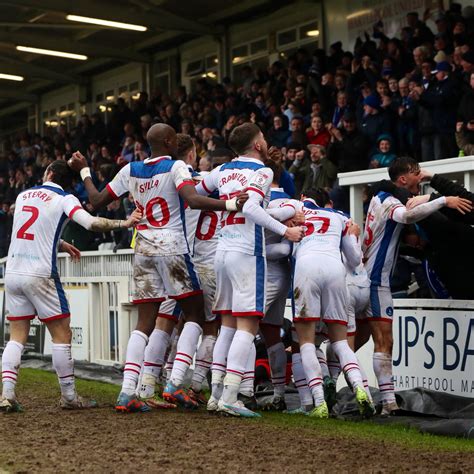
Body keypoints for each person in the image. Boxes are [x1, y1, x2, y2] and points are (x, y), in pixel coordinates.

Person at [67, 123, 247, 413]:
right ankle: (175, 384)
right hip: (172, 247)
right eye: (175, 137)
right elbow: (191, 199)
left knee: (145, 322)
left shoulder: (130, 169)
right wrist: (229, 205)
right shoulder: (176, 166)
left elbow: (97, 200)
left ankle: (128, 392)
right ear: (168, 141)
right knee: (195, 313)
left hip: (143, 249)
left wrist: (84, 170)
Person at [1, 160, 141, 412]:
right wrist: (124, 223)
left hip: (13, 271)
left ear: (49, 173)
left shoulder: (22, 196)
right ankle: (69, 397)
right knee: (62, 334)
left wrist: (59, 242)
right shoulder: (65, 199)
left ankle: (7, 395)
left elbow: (31, 229)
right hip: (40, 273)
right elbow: (91, 223)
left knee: (17, 336)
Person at [196, 123, 305, 417]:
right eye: (264, 137)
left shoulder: (221, 171)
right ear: (258, 144)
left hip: (222, 251)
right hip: (246, 254)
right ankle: (232, 397)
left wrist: (286, 211)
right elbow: (252, 209)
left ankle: (216, 395)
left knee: (228, 328)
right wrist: (286, 230)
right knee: (247, 327)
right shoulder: (262, 172)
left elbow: (194, 193)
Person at [360, 157, 472, 415]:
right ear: (402, 178)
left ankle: (330, 380)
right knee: (384, 341)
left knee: (357, 339)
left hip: (363, 277)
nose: (419, 178)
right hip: (376, 281)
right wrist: (444, 200)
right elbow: (407, 215)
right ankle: (386, 402)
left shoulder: (380, 197)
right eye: (415, 174)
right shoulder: (389, 202)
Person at [291, 188, 374, 418]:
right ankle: (360, 389)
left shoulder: (296, 212)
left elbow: (289, 247)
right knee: (340, 342)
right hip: (335, 269)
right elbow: (355, 258)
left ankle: (319, 402)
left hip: (307, 266)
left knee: (306, 341)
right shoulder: (340, 215)